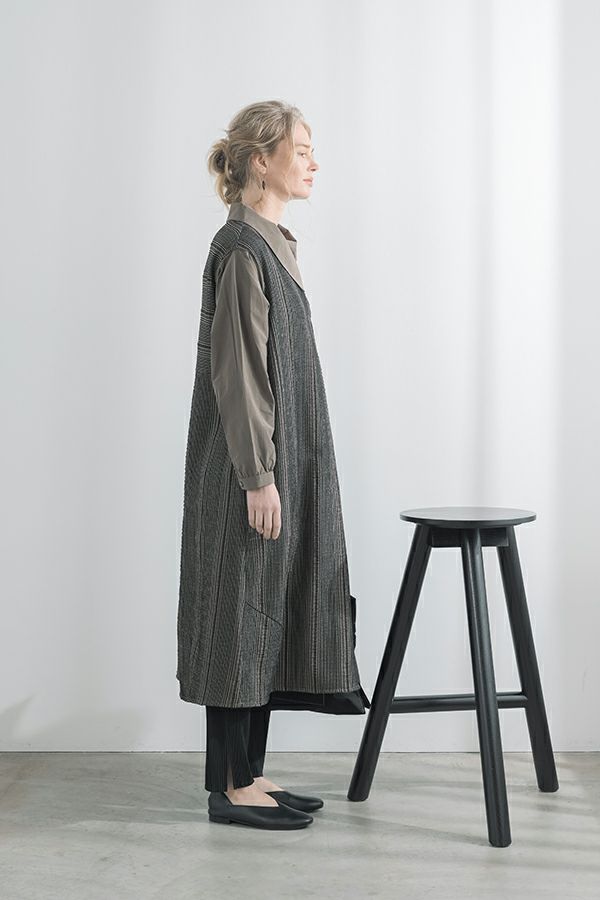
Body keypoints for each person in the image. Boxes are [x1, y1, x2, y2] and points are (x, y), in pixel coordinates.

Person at [177, 100, 364, 830]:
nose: (314, 162)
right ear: (263, 161)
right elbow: (239, 374)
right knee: (238, 613)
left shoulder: (271, 244)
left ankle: (249, 775)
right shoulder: (240, 250)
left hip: (276, 467)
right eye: (302, 150)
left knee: (263, 611)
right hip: (246, 472)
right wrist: (258, 475)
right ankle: (229, 789)